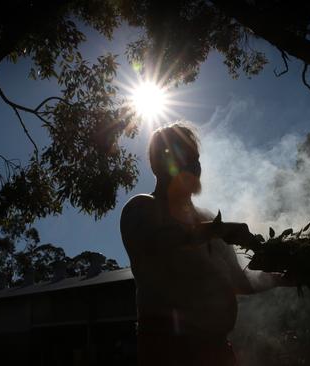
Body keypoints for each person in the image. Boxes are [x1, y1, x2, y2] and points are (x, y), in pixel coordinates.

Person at [120, 122, 291, 366]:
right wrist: (219, 229)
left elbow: (240, 282)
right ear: (159, 165)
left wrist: (283, 278)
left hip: (217, 349)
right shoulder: (141, 207)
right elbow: (160, 243)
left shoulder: (208, 218)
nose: (195, 166)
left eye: (196, 158)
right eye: (185, 158)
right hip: (168, 349)